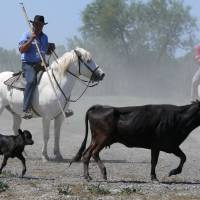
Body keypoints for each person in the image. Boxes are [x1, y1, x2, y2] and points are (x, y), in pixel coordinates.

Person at [19, 15, 49, 119]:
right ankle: (26, 109)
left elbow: (43, 53)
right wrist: (31, 39)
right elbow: (21, 49)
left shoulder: (45, 38)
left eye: (41, 25)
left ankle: (59, 105)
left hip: (39, 64)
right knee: (31, 81)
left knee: (54, 77)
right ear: (33, 24)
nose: (39, 27)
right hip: (28, 63)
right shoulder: (27, 34)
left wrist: (44, 64)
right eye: (36, 24)